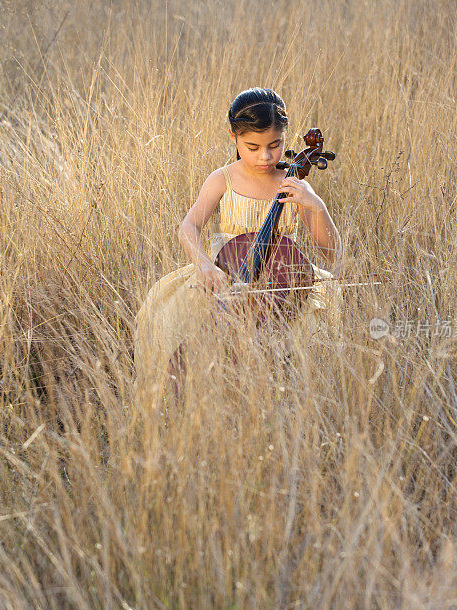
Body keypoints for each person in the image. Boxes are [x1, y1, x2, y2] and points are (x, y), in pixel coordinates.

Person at [133, 87, 342, 397]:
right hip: (227, 278)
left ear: (286, 137)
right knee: (184, 331)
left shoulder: (295, 184)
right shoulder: (223, 179)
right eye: (252, 146)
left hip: (284, 285)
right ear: (233, 137)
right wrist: (204, 265)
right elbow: (188, 227)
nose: (266, 156)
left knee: (298, 346)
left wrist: (316, 206)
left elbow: (330, 252)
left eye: (275, 145)